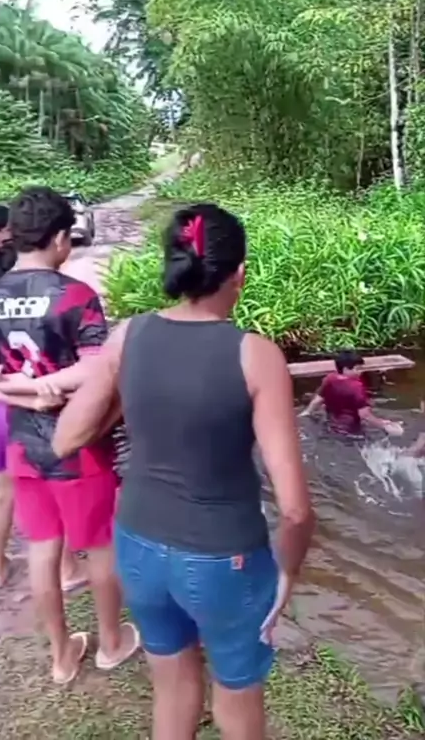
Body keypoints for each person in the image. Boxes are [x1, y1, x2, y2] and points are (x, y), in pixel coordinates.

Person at [52, 202, 315, 740]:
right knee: (237, 699)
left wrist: (128, 394)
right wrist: (287, 573)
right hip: (225, 558)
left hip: (138, 545)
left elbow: (66, 438)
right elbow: (293, 509)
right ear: (239, 273)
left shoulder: (129, 335)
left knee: (172, 689)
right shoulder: (256, 356)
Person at [0, 185, 138, 684]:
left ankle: (61, 656)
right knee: (99, 545)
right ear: (60, 237)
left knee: (42, 546)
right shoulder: (76, 296)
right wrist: (50, 387)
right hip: (80, 444)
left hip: (23, 445)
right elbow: (96, 370)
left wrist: (24, 391)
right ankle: (110, 643)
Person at [0, 231, 86, 591]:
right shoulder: (31, 310)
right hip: (20, 410)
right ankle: (67, 570)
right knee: (45, 491)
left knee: (0, 494)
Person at [300, 350, 403, 437]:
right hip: (351, 432)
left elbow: (318, 399)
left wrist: (306, 413)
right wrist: (383, 425)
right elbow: (365, 415)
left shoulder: (329, 379)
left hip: (330, 426)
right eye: (357, 369)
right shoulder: (356, 387)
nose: (360, 372)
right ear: (345, 369)